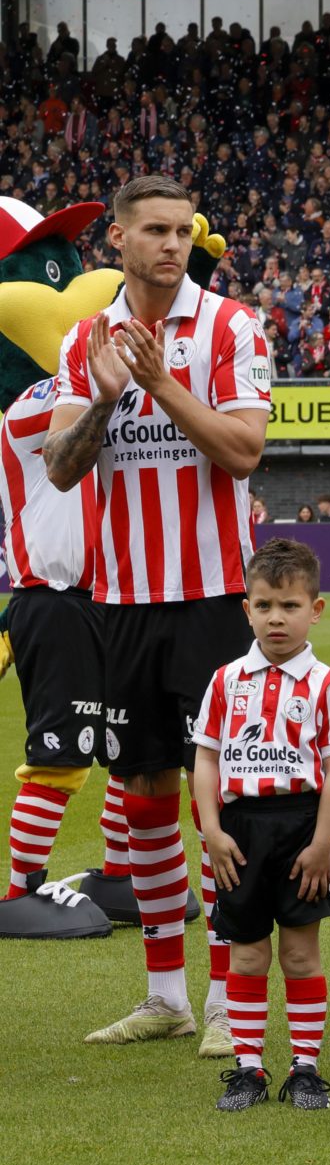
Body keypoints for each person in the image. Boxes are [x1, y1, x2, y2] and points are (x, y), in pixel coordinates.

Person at [51, 178, 271, 1049]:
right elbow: (64, 472)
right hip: (122, 600)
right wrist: (107, 397)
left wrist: (161, 384)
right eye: (155, 231)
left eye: (183, 231)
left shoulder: (231, 326)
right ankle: (165, 995)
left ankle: (224, 1000)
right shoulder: (83, 338)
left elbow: (246, 448)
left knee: (216, 791)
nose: (173, 245)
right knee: (140, 789)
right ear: (118, 239)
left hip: (216, 595)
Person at [193, 538, 330, 1112]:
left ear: (315, 609)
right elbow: (206, 759)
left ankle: (306, 1068)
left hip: (301, 831)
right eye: (264, 605)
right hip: (237, 834)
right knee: (245, 955)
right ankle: (248, 1069)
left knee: (299, 955)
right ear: (247, 609)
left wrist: (321, 845)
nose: (276, 617)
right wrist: (211, 832)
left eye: (289, 605)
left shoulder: (327, 685)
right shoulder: (225, 681)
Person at [0, 324, 116, 939]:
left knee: (126, 747)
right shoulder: (30, 407)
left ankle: (121, 873)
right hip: (54, 596)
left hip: (110, 600)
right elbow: (72, 435)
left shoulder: (81, 391)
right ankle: (23, 888)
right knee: (61, 754)